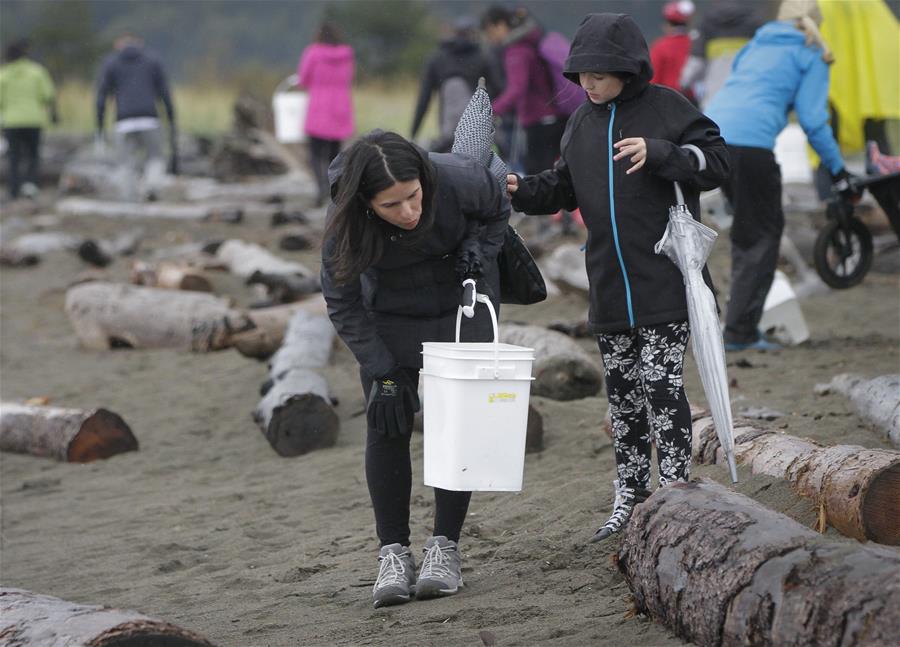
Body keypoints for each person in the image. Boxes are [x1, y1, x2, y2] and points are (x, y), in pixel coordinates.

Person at [506, 13, 729, 540]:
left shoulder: (669, 107)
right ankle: (630, 493)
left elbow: (718, 164)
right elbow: (561, 188)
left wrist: (663, 154)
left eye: (598, 73)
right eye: (580, 74)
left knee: (661, 386)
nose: (587, 83)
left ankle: (677, 494)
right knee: (623, 398)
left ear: (628, 69)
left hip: (667, 283)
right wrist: (517, 187)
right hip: (607, 289)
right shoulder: (580, 123)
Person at [320, 130, 509, 608]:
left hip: (459, 304)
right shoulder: (342, 223)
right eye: (391, 205)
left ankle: (445, 548)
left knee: (457, 425)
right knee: (388, 422)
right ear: (365, 203)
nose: (407, 212)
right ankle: (393, 553)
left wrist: (478, 252)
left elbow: (497, 210)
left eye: (413, 197)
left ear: (424, 180)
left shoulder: (460, 178)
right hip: (388, 315)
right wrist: (382, 371)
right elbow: (342, 304)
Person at [705, 0, 857, 352]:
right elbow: (813, 120)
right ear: (813, 23)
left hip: (712, 136)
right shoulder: (811, 53)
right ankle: (739, 334)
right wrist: (838, 170)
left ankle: (734, 325)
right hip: (751, 146)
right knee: (761, 235)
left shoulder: (754, 45)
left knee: (747, 232)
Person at [96, 33, 175, 201]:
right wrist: (170, 117)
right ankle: (152, 187)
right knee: (155, 157)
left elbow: (102, 96)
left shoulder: (111, 63)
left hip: (123, 120)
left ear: (118, 45)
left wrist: (100, 124)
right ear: (140, 43)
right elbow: (164, 92)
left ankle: (128, 197)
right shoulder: (152, 61)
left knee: (125, 162)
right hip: (149, 118)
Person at [410, 16, 499, 153]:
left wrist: (413, 133)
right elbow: (497, 88)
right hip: (476, 130)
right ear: (472, 34)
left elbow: (424, 99)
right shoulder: (483, 56)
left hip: (447, 128)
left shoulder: (437, 58)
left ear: (454, 33)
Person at [297, 22, 355, 207]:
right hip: (340, 106)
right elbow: (349, 77)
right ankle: (334, 187)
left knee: (315, 153)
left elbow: (303, 79)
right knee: (335, 153)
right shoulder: (347, 54)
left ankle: (321, 188)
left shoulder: (313, 53)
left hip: (319, 106)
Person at [678, 0, 764, 108]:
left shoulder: (707, 23)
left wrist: (684, 82)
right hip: (746, 98)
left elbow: (696, 63)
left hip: (713, 100)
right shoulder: (755, 23)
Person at [0, 39, 57, 200]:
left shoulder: (3, 75)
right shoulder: (37, 72)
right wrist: (53, 114)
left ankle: (13, 190)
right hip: (33, 120)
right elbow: (48, 95)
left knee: (14, 157)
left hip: (11, 121)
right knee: (33, 155)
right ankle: (31, 187)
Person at [650, 1, 696, 92]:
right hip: (692, 100)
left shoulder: (660, 47)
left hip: (667, 99)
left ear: (668, 23)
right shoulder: (694, 43)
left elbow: (653, 80)